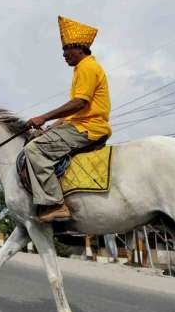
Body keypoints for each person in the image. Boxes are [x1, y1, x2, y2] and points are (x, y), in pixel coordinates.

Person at [25, 15, 112, 222]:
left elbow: (79, 103)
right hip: (80, 124)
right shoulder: (83, 68)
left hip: (89, 128)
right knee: (38, 139)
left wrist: (43, 117)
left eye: (67, 49)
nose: (64, 54)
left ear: (80, 48)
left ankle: (55, 204)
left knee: (34, 149)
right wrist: (52, 126)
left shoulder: (86, 68)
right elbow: (75, 112)